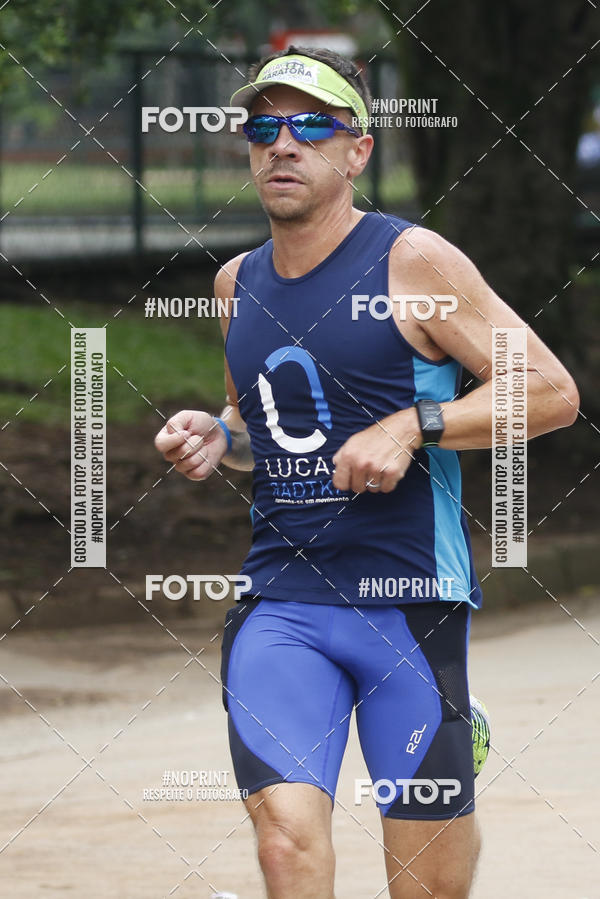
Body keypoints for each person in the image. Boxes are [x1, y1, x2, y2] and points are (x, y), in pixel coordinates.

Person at [155, 46, 579, 899]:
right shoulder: (236, 283)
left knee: (423, 884)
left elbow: (551, 392)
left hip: (409, 607)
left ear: (357, 152)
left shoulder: (415, 263)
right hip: (283, 602)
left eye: (312, 125)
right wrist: (215, 435)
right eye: (265, 126)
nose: (284, 144)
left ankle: (458, 732)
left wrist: (413, 425)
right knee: (285, 843)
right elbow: (261, 425)